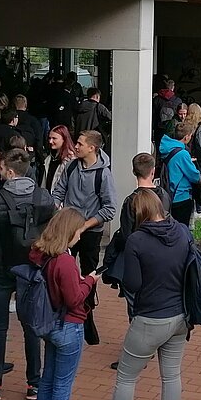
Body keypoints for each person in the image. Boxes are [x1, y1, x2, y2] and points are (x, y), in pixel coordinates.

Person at [0, 149, 56, 400]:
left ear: (10, 172)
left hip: (1, 267)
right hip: (32, 269)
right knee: (31, 327)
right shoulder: (44, 197)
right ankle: (34, 383)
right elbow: (52, 233)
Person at [109, 189, 192, 400]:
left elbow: (133, 284)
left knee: (126, 376)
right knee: (172, 374)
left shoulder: (136, 241)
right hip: (181, 316)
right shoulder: (183, 232)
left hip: (151, 317)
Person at [28, 208, 97, 400]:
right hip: (68, 325)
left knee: (48, 378)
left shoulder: (43, 253)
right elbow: (74, 299)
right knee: (62, 384)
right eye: (78, 231)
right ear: (69, 232)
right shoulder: (65, 261)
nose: (79, 235)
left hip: (49, 321)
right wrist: (89, 281)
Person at [53, 129, 118, 345]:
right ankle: (66, 315)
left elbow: (109, 209)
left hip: (90, 234)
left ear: (92, 148)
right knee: (64, 273)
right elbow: (58, 191)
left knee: (88, 276)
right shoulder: (71, 166)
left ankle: (87, 319)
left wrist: (84, 226)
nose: (76, 146)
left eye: (80, 144)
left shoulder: (104, 174)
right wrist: (59, 216)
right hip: (68, 231)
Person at [157, 121, 201, 225]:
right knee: (182, 229)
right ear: (186, 137)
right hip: (182, 195)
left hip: (170, 194)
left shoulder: (167, 149)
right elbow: (194, 176)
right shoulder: (182, 154)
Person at [12, 95, 45, 164]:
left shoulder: (9, 120)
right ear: (26, 105)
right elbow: (39, 140)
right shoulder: (33, 121)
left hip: (11, 155)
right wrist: (41, 158)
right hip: (29, 156)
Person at [41, 125, 74, 194]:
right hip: (47, 199)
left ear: (64, 139)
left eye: (54, 138)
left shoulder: (71, 160)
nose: (50, 141)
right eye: (49, 138)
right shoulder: (49, 158)